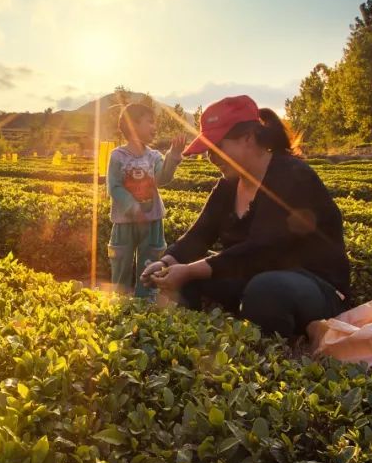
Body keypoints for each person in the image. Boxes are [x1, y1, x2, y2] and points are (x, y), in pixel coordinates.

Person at [141, 95, 349, 341]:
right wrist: (167, 262)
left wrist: (189, 270)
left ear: (248, 138)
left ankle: (274, 355)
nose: (212, 158)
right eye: (209, 151)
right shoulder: (228, 185)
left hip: (314, 286)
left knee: (266, 290)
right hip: (254, 275)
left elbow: (262, 250)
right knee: (184, 274)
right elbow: (199, 234)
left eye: (218, 148)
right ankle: (192, 345)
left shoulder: (292, 176)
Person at [107, 101, 186, 299]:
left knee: (150, 262)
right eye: (149, 122)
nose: (154, 127)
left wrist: (173, 156)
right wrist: (133, 207)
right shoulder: (117, 156)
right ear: (133, 125)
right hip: (124, 221)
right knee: (121, 262)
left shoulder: (154, 156)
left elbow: (163, 179)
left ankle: (146, 302)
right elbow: (114, 187)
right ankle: (120, 300)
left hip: (152, 220)